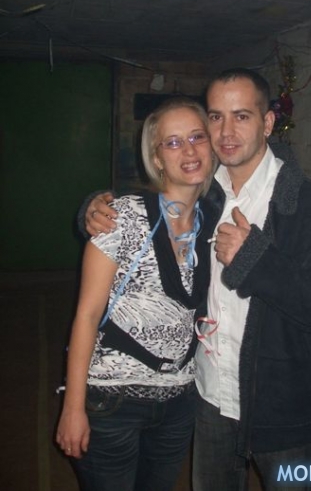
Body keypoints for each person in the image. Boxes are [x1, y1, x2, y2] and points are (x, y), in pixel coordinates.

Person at [83, 69, 311, 491]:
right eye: (215, 117)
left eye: (242, 116)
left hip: (282, 408)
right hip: (210, 399)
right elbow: (148, 210)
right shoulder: (205, 193)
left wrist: (257, 262)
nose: (226, 132)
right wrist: (92, 210)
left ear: (268, 122)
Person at [55, 96, 217, 491]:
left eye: (197, 137)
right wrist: (72, 407)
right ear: (156, 158)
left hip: (179, 400)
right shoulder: (122, 217)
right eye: (173, 142)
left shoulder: (216, 221)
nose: (189, 150)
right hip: (112, 401)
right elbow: (87, 316)